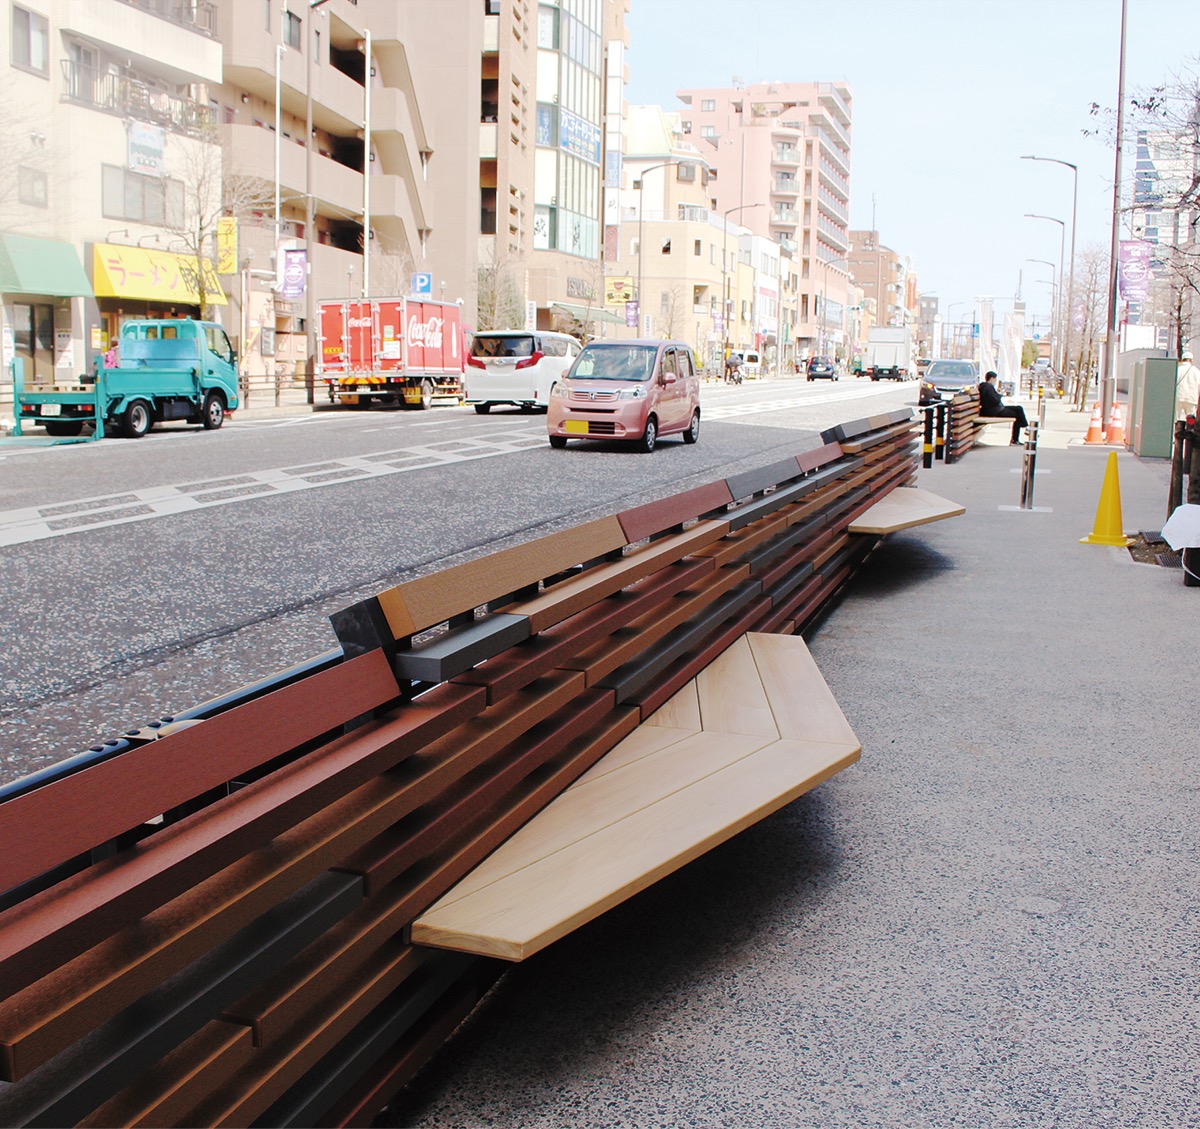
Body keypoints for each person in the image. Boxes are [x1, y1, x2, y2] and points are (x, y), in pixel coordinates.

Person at [978, 369, 1029, 445]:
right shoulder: (988, 387)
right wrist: (1000, 394)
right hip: (995, 411)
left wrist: (998, 394)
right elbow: (995, 401)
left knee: (1019, 409)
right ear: (991, 378)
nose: (995, 382)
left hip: (993, 409)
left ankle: (1025, 428)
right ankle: (1020, 434)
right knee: (1018, 413)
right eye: (995, 380)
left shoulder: (985, 387)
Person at [1175, 349, 1200, 420]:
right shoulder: (1196, 371)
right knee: (1191, 420)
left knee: (1176, 419)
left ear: (1182, 360)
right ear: (1191, 360)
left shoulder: (1177, 370)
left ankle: (1177, 427)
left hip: (1178, 397)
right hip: (1192, 398)